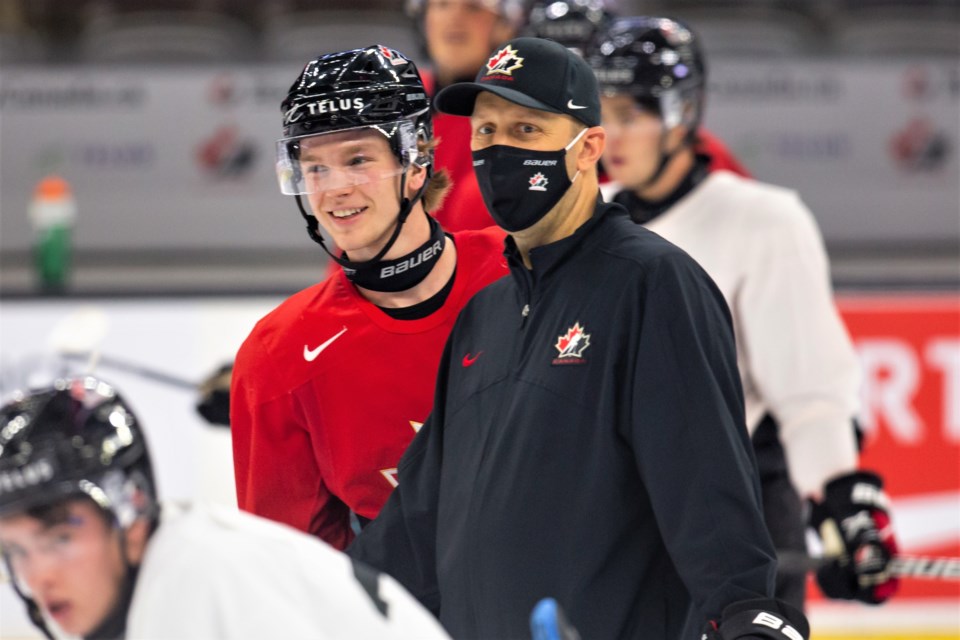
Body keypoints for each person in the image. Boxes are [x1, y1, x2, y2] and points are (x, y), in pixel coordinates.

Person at [349, 36, 809, 640]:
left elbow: (706, 489)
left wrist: (750, 611)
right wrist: (321, 593)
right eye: (485, 133)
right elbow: (417, 525)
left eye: (526, 130)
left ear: (589, 146)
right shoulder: (482, 314)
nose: (497, 150)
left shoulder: (652, 285)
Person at [586, 16, 900, 609]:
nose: (613, 136)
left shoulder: (763, 221)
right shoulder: (586, 218)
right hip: (616, 518)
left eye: (632, 114)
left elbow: (808, 391)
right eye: (603, 115)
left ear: (681, 114)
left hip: (732, 513)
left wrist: (842, 503)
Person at [229, 45, 508, 550]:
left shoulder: (522, 271)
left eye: (357, 160)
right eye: (314, 168)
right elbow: (292, 571)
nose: (334, 189)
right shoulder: (279, 353)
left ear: (417, 160)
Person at [0, 375, 450, 640]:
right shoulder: (163, 574)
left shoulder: (203, 582)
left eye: (60, 539)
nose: (39, 576)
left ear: (131, 510)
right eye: (16, 551)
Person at [522, 0, 753, 179]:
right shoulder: (520, 149)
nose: (564, 90)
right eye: (550, 74)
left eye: (578, 71)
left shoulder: (694, 151)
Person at [405, 0, 526, 232]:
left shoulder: (529, 118)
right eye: (442, 5)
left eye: (473, 7)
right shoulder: (396, 103)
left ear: (505, 26)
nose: (455, 18)